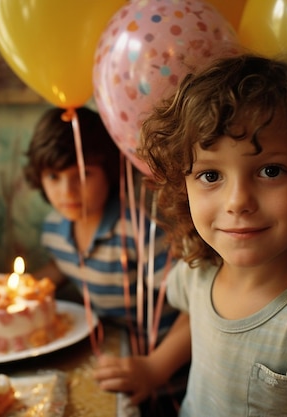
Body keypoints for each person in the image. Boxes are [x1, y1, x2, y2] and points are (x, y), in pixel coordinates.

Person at [94, 54, 287, 416]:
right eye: (210, 175)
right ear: (182, 186)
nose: (238, 202)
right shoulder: (198, 273)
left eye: (270, 170)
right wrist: (154, 367)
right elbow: (196, 318)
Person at [25, 107, 185, 415]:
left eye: (83, 175)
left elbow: (196, 308)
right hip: (112, 361)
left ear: (109, 172)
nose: (66, 191)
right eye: (54, 177)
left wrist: (155, 368)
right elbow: (63, 264)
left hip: (169, 384)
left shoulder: (140, 231)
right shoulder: (54, 230)